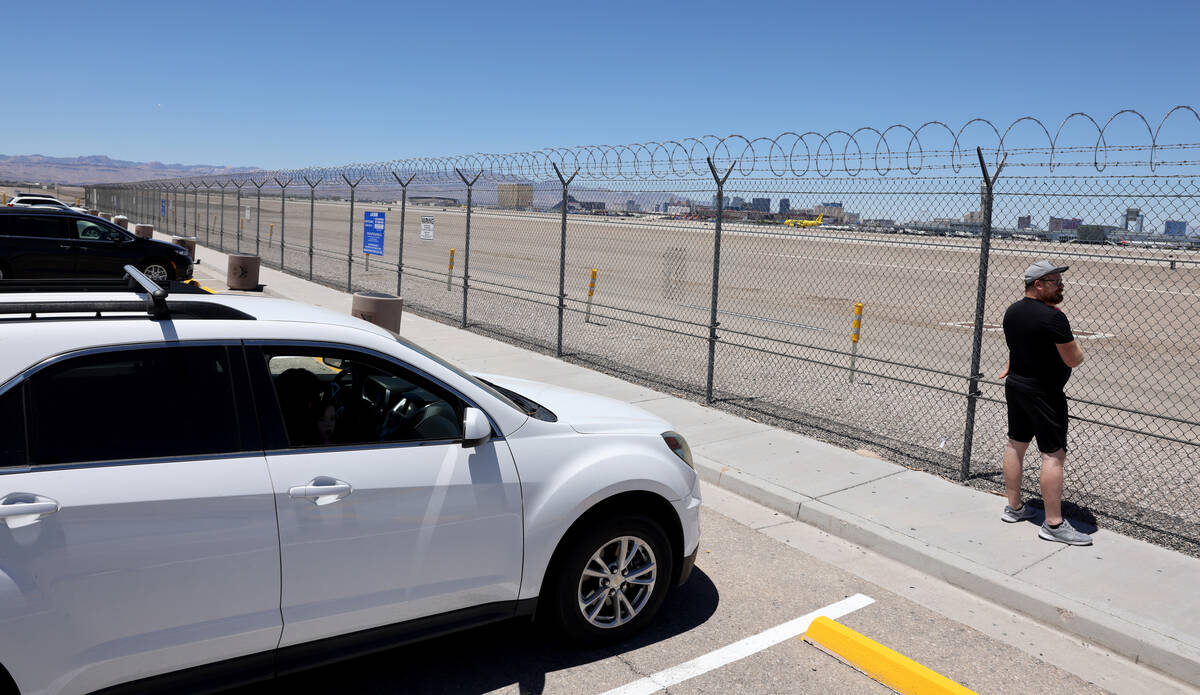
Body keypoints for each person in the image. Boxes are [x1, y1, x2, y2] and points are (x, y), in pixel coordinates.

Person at [997, 260, 1092, 546]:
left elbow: (1019, 347)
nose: (1062, 286)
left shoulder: (1012, 311)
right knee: (1053, 454)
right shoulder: (1054, 318)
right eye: (1055, 282)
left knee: (1016, 443)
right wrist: (1077, 346)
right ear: (1038, 285)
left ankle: (1013, 508)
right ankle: (1053, 523)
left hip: (1016, 386)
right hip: (1044, 393)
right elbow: (1073, 359)